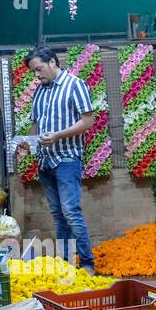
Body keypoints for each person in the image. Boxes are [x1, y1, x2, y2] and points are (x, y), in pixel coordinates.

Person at [17, 45, 96, 271]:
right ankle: (66, 262)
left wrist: (58, 136)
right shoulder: (39, 91)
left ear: (53, 62)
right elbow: (36, 124)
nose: (37, 75)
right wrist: (27, 142)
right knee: (58, 215)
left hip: (67, 159)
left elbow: (88, 121)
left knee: (70, 211)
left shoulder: (75, 85)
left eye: (39, 69)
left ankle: (88, 263)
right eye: (33, 72)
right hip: (45, 161)